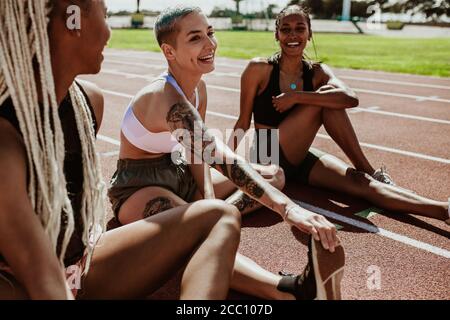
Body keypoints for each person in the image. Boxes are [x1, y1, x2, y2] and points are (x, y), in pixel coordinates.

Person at [0, 0, 242, 300]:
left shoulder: (88, 103)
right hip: (21, 284)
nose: (109, 32)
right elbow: (37, 271)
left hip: (78, 264)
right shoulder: (5, 138)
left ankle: (287, 290)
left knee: (219, 214)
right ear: (72, 19)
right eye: (105, 16)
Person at [108, 6, 345, 300]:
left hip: (179, 172)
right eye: (195, 38)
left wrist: (209, 202)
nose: (209, 45)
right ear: (169, 51)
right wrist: (287, 209)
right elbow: (219, 156)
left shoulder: (198, 89)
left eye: (210, 33)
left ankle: (220, 215)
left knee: (274, 175)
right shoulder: (164, 98)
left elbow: (196, 155)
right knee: (203, 236)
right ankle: (290, 290)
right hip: (139, 188)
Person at [230, 4, 450, 224]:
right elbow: (242, 121)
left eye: (300, 28)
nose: (293, 35)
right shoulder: (258, 69)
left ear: (310, 33)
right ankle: (369, 169)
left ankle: (443, 210)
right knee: (324, 101)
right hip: (266, 154)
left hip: (299, 158)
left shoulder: (317, 73)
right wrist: (227, 166)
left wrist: (296, 97)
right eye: (286, 29)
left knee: (360, 183)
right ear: (276, 35)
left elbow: (350, 98)